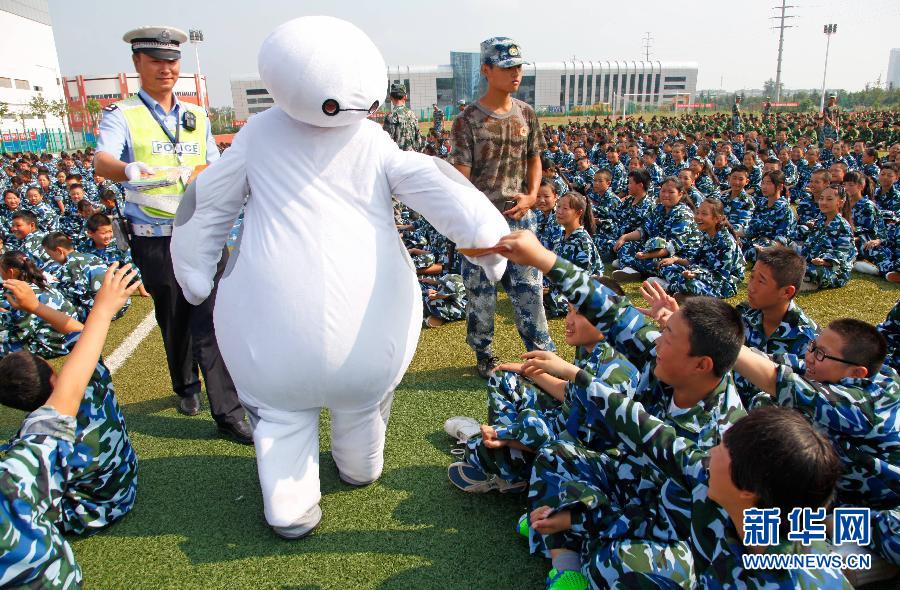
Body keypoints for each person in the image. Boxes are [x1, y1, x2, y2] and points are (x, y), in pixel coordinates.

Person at [93, 25, 251, 443]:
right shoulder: (122, 115)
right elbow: (101, 160)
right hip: (154, 236)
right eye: (157, 61)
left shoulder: (196, 116)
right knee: (174, 317)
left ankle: (228, 410)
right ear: (137, 64)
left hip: (201, 231)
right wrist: (127, 169)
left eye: (172, 61)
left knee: (211, 318)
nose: (166, 68)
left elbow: (214, 165)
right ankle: (185, 386)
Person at [0, 263, 137, 588]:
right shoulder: (93, 382)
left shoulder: (24, 444)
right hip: (124, 486)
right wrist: (36, 306)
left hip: (90, 513)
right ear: (51, 375)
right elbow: (80, 333)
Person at [449, 36, 556, 378]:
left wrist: (531, 195)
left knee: (530, 292)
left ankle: (542, 354)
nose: (516, 73)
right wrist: (471, 218)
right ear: (486, 70)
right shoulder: (468, 120)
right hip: (482, 224)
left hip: (521, 221)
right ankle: (484, 353)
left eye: (519, 66)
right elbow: (460, 178)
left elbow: (534, 159)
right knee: (482, 296)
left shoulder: (526, 113)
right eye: (507, 67)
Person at [382, 83, 422, 152]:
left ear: (391, 97)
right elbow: (418, 140)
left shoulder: (390, 116)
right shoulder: (412, 114)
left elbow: (386, 143)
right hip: (413, 156)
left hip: (398, 159)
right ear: (405, 97)